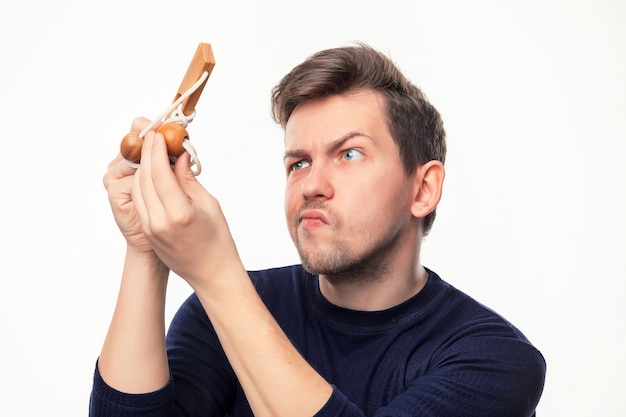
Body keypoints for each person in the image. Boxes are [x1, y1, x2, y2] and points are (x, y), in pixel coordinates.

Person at [89, 43, 546, 417]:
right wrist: (146, 248)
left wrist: (217, 275)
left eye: (349, 154)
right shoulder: (217, 312)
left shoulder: (494, 360)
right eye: (299, 162)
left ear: (423, 189)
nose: (310, 185)